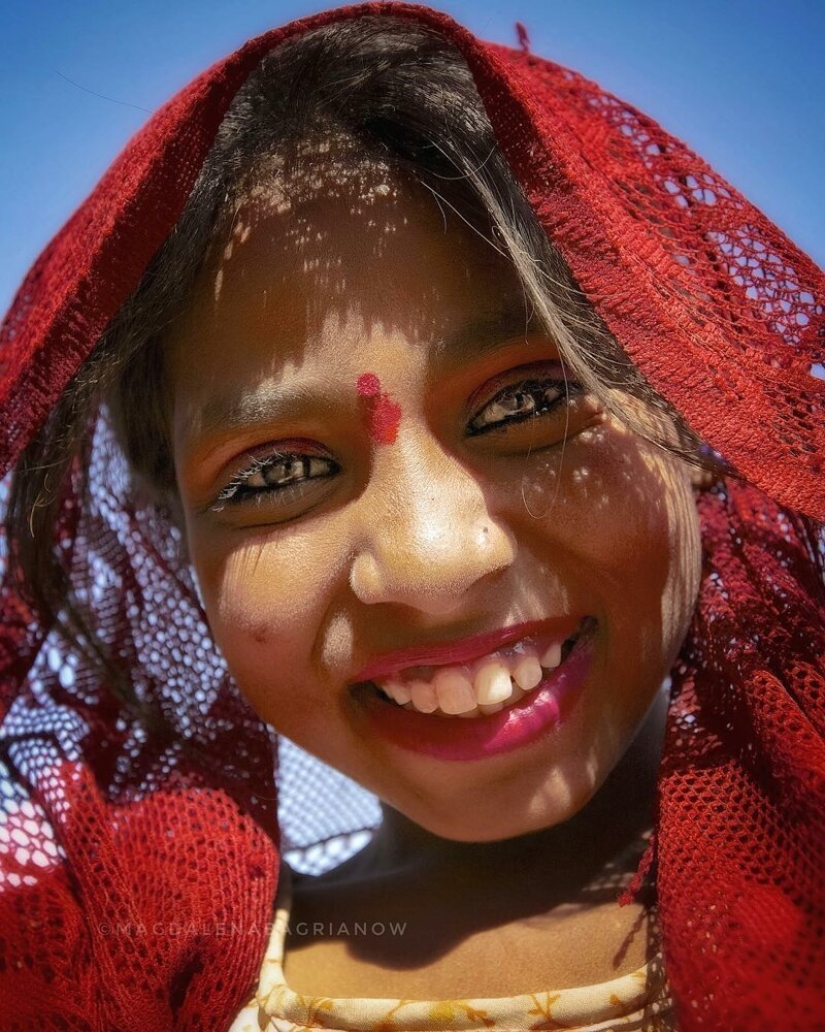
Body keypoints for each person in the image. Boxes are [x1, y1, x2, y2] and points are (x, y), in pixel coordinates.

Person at [0, 4, 822, 1030]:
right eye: (274, 474)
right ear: (179, 545)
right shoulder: (99, 992)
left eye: (527, 404)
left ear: (700, 413)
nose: (433, 561)